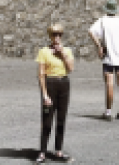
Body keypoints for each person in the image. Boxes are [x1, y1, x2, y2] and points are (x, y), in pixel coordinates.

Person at [36, 23, 74, 163]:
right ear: (50, 36)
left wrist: (62, 54)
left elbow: (70, 69)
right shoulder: (44, 51)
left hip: (64, 83)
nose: (57, 37)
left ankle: (58, 151)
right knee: (47, 120)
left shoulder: (68, 51)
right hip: (50, 83)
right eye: (54, 34)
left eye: (59, 34)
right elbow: (41, 74)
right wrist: (45, 94)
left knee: (61, 119)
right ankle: (42, 152)